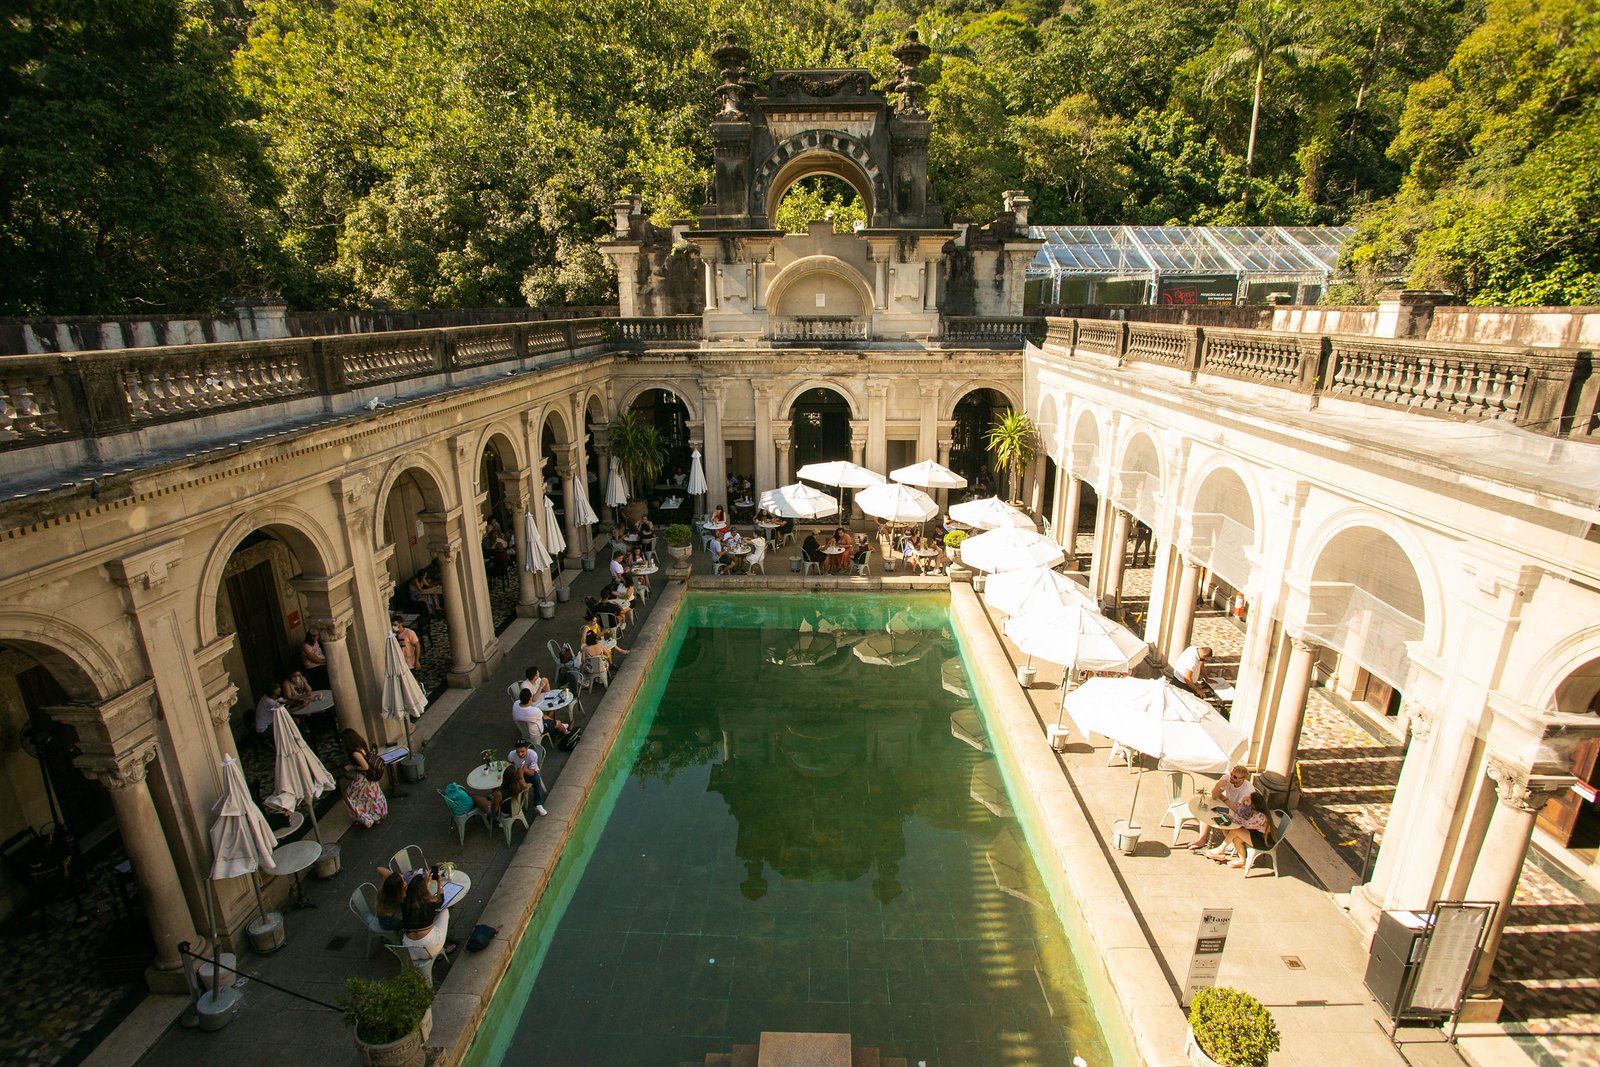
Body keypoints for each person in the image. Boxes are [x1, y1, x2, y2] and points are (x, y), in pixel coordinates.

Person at [1189, 764, 1255, 852]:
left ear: (1242, 779)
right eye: (1231, 774)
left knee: (1224, 820)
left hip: (1241, 814)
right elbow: (1214, 796)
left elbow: (1237, 809)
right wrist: (1219, 786)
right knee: (1207, 809)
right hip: (1228, 808)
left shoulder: (1247, 790)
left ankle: (1231, 842)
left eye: (1235, 777)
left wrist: (1224, 798)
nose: (1231, 777)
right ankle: (1202, 839)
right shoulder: (1226, 778)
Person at [1203, 791, 1274, 869]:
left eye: (1249, 799)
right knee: (1237, 839)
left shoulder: (1260, 816)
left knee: (1235, 831)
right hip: (1256, 834)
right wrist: (1243, 803)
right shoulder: (1253, 810)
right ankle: (1242, 860)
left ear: (1253, 804)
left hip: (1263, 841)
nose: (1247, 798)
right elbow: (1240, 812)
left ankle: (1220, 850)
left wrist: (1229, 817)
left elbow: (1244, 823)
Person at [340, 728, 389, 828]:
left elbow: (365, 767)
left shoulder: (355, 753)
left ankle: (365, 819)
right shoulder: (362, 744)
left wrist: (352, 767)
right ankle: (376, 817)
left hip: (363, 778)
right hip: (370, 778)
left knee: (350, 797)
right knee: (372, 797)